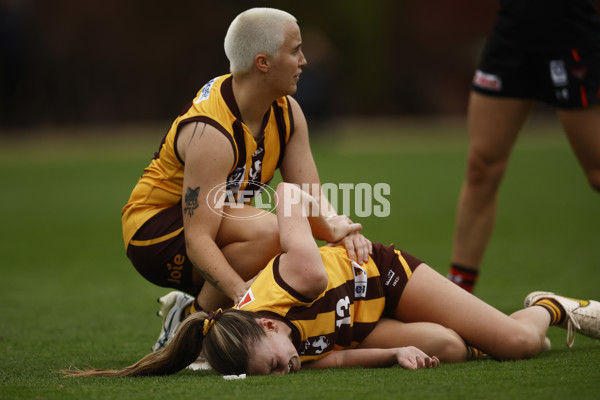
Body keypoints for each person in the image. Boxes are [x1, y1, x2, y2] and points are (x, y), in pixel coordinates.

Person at [62, 183, 600, 377]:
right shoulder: (266, 346)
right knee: (447, 348)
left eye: (277, 363)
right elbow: (335, 357)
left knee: (520, 344)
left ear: (267, 325)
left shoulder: (300, 276)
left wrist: (337, 226)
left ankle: (550, 304)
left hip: (382, 280)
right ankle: (472, 330)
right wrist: (394, 354)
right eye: (274, 375)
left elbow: (291, 193)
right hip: (358, 327)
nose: (288, 368)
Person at [121, 6, 371, 346]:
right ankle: (193, 331)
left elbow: (311, 197)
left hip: (212, 223)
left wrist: (341, 228)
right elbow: (198, 240)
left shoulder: (287, 112)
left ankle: (188, 319)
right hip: (153, 232)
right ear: (262, 62)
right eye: (295, 50)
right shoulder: (212, 133)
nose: (305, 61)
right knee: (273, 230)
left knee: (281, 230)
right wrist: (243, 295)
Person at [448, 0, 600, 292]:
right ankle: (457, 291)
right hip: (512, 32)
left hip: (569, 30)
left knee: (596, 175)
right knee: (482, 165)